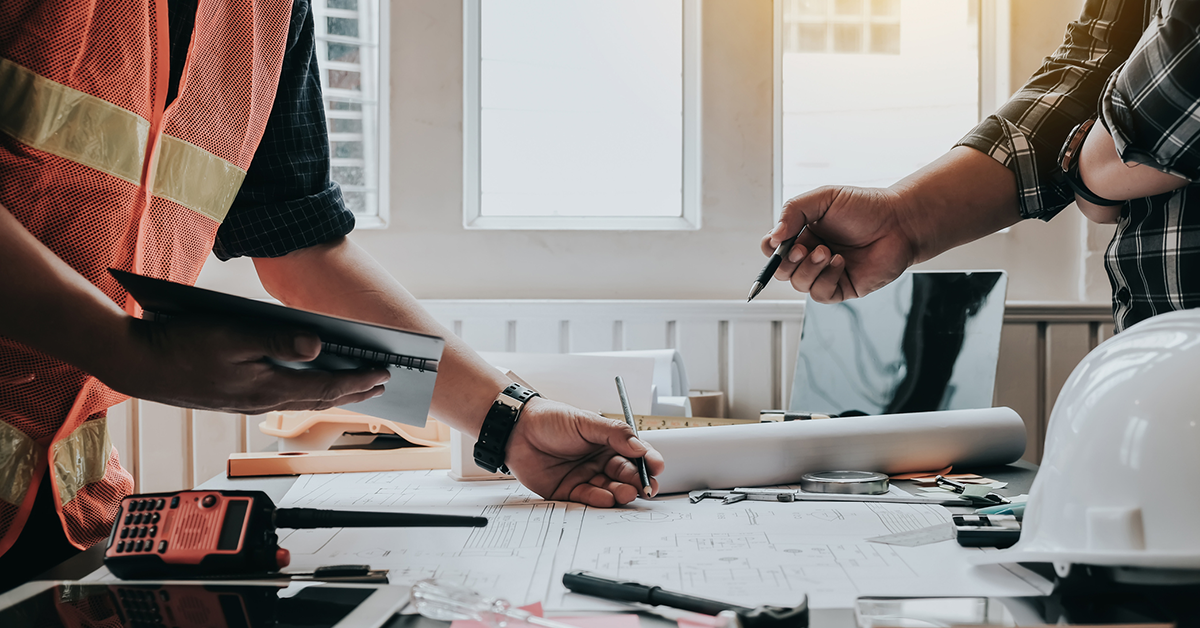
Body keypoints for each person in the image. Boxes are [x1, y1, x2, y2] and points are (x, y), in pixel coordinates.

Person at [0, 0, 662, 589]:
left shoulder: (272, 13)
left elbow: (300, 245)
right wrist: (128, 353)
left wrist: (509, 420)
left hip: (64, 521)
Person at [763, 0, 1197, 334]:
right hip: (1148, 358)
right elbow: (1092, 58)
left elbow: (1172, 96)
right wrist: (903, 218)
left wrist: (1093, 169)